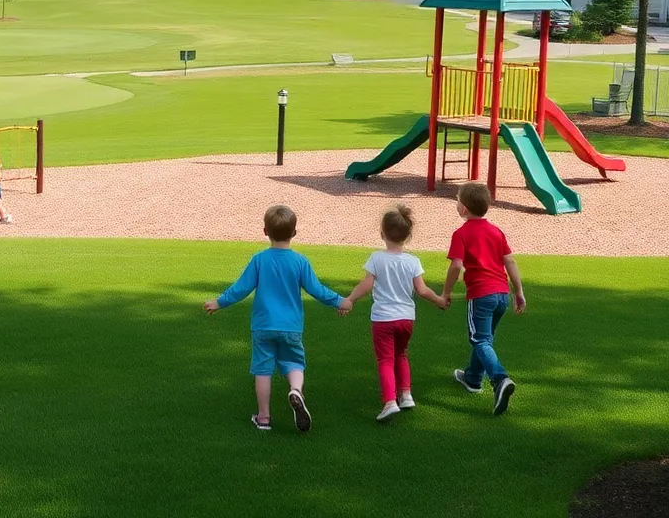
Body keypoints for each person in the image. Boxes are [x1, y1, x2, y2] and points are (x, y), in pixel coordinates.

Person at [203, 204, 349, 432]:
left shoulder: (259, 260)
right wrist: (340, 301)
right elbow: (317, 289)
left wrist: (219, 302)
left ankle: (263, 418)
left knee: (262, 370)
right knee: (294, 363)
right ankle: (295, 390)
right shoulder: (300, 261)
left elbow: (241, 288)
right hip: (291, 327)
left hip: (263, 326)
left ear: (265, 231)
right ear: (294, 233)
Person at [342, 204, 447, 421]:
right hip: (406, 318)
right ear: (408, 236)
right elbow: (421, 290)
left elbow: (367, 284)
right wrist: (438, 300)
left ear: (382, 233)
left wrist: (350, 299)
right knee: (401, 354)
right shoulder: (412, 261)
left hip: (383, 319)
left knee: (385, 360)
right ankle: (406, 394)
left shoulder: (377, 259)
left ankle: (390, 401)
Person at [440, 182, 526, 416]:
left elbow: (456, 265)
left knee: (480, 340)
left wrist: (446, 293)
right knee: (484, 338)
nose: (456, 203)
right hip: (501, 295)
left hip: (481, 295)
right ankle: (473, 378)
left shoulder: (461, 233)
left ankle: (499, 379)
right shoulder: (496, 231)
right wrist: (518, 292)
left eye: (457, 200)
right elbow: (510, 262)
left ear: (464, 208)